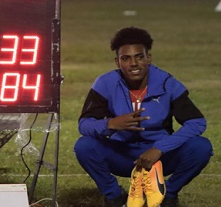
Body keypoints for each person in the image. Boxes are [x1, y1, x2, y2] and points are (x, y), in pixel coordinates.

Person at [74, 27, 213, 207]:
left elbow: (196, 122)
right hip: (122, 154)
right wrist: (111, 124)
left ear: (149, 58)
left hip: (158, 159)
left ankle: (167, 196)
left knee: (201, 147)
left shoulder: (167, 83)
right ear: (117, 62)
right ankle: (114, 197)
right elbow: (84, 125)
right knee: (84, 146)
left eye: (139, 56)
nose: (133, 63)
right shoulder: (105, 83)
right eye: (126, 58)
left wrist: (160, 148)